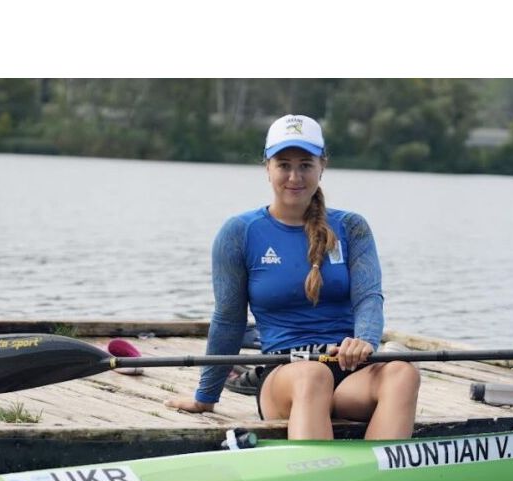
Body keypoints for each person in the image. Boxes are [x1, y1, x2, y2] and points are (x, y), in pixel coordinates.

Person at [165, 114, 420, 440]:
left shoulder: (352, 227)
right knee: (312, 376)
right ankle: (317, 478)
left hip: (349, 370)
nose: (294, 176)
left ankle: (381, 480)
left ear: (322, 166)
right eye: (284, 164)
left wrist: (365, 341)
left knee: (402, 373)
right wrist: (205, 397)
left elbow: (369, 296)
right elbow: (228, 320)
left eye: (305, 165)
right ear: (267, 167)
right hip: (285, 374)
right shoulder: (240, 232)